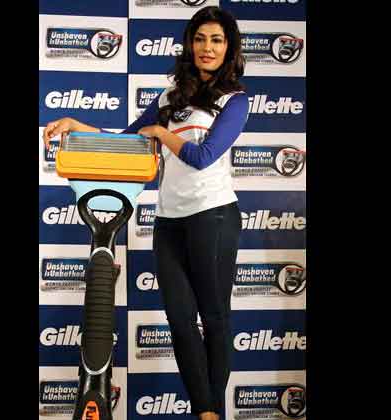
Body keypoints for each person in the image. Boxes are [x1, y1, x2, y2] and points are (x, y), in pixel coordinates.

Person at [43, 6, 248, 420]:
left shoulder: (235, 100)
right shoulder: (171, 97)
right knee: (179, 319)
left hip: (214, 217)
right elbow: (128, 139)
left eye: (217, 40)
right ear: (190, 44)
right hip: (169, 220)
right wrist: (76, 125)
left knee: (214, 317)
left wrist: (160, 132)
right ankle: (203, 410)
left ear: (229, 49)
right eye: (201, 38)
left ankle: (211, 413)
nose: (208, 48)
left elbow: (203, 156)